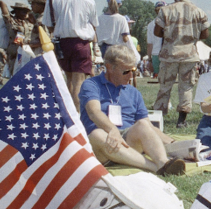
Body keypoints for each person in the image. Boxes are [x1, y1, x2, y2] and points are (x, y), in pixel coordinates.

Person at [79, 45, 186, 176]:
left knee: (143, 125)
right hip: (102, 145)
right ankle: (155, 168)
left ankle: (163, 163)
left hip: (127, 142)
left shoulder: (134, 92)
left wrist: (176, 144)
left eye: (133, 70)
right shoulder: (91, 85)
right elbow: (93, 112)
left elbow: (148, 127)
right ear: (109, 67)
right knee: (97, 134)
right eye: (126, 71)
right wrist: (112, 130)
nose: (131, 75)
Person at [152, 0, 209, 128]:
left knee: (165, 86)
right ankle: (181, 121)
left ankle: (159, 118)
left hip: (170, 54)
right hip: (189, 55)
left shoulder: (166, 10)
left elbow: (157, 32)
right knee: (186, 88)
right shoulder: (199, 11)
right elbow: (205, 34)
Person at [43, 0, 101, 110]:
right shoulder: (88, 0)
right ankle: (77, 116)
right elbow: (94, 24)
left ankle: (66, 112)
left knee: (68, 80)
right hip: (80, 43)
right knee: (78, 81)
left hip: (61, 43)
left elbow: (49, 25)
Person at [0, 0, 34, 75]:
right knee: (15, 75)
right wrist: (12, 10)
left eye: (26, 12)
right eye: (23, 12)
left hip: (26, 53)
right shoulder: (11, 21)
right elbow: (2, 3)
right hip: (14, 54)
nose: (26, 14)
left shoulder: (27, 23)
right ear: (17, 11)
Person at [146, 1, 166, 78]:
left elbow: (149, 44)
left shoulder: (151, 25)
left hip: (155, 54)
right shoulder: (170, 23)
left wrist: (149, 59)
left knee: (158, 78)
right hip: (168, 53)